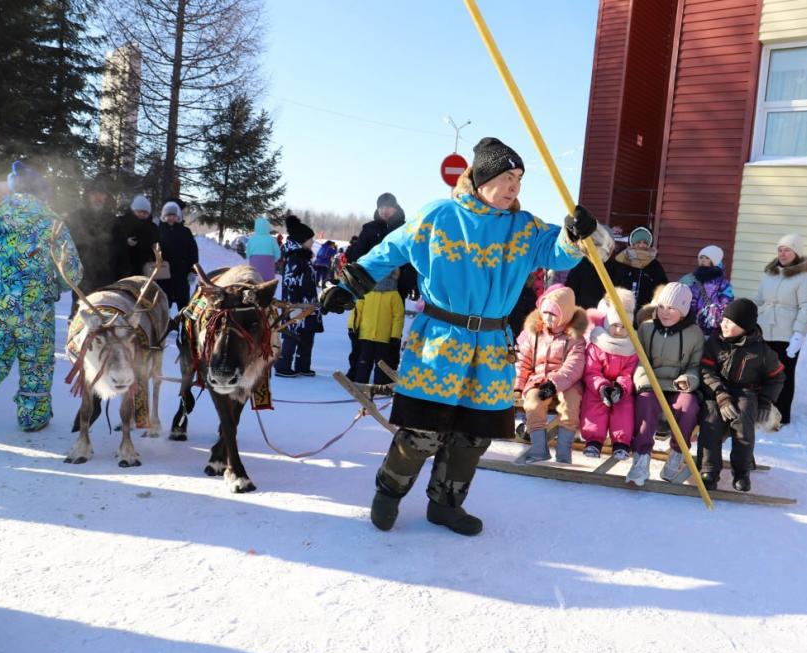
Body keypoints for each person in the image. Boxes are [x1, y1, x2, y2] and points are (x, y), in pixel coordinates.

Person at [320, 136, 610, 536]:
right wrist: (348, 286)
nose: (515, 187)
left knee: (474, 436)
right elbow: (388, 251)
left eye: (520, 179)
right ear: (482, 178)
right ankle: (389, 493)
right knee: (423, 430)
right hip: (440, 339)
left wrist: (574, 234)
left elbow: (558, 251)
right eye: (507, 177)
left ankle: (445, 504)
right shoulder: (439, 216)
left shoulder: (523, 227)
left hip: (491, 345)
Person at [0, 161, 83, 440]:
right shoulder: (52, 225)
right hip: (34, 309)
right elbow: (72, 271)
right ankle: (32, 418)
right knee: (35, 362)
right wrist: (56, 286)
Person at [697, 299, 785, 492]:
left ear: (744, 327)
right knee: (711, 420)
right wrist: (720, 394)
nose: (723, 324)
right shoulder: (715, 343)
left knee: (744, 420)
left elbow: (777, 377)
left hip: (745, 391)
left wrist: (765, 402)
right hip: (716, 393)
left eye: (730, 322)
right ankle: (709, 470)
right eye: (723, 319)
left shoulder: (761, 351)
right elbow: (705, 371)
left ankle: (742, 471)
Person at [628, 282, 704, 486]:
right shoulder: (647, 328)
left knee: (688, 407)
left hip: (678, 386)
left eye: (671, 308)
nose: (664, 312)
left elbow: (696, 365)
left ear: (683, 310)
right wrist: (644, 382)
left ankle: (677, 453)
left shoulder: (695, 334)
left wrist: (689, 380)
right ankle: (641, 457)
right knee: (645, 404)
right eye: (661, 306)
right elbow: (639, 360)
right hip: (651, 383)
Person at [516, 284, 588, 464]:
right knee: (533, 402)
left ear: (565, 315)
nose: (547, 318)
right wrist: (518, 386)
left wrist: (554, 384)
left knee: (571, 404)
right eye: (545, 312)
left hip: (566, 381)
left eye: (553, 314)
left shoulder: (575, 338)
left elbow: (574, 366)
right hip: (538, 379)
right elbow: (522, 361)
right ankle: (539, 448)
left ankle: (564, 451)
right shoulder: (533, 333)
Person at [754, 233, 807, 425]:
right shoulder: (769, 274)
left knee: (783, 375)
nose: (782, 253)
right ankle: (760, 412)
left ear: (796, 252)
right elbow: (758, 300)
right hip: (764, 330)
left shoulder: (804, 278)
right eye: (780, 250)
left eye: (787, 250)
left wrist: (799, 334)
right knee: (761, 373)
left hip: (786, 333)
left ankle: (780, 416)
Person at [580, 288, 638, 461]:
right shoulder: (597, 342)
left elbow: (629, 373)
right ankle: (593, 441)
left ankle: (621, 444)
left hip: (621, 387)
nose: (619, 330)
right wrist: (602, 387)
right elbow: (591, 371)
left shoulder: (631, 347)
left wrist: (621, 388)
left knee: (624, 409)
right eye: (615, 326)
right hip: (598, 386)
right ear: (607, 324)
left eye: (623, 327)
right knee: (594, 405)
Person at [564, 226, 668, 311]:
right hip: (618, 313)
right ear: (632, 242)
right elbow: (604, 284)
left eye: (645, 242)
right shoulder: (620, 261)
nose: (641, 245)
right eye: (638, 242)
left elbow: (662, 289)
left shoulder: (654, 266)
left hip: (643, 314)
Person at [67, 177, 123, 317]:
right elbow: (67, 246)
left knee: (105, 318)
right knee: (79, 317)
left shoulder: (114, 221)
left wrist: (122, 274)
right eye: (94, 193)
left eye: (101, 194)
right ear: (87, 195)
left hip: (108, 278)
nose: (98, 197)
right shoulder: (75, 218)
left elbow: (122, 250)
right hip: (82, 277)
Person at [347, 192, 419, 301]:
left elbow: (412, 259)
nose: (384, 210)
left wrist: (408, 285)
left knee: (394, 317)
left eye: (388, 207)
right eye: (381, 207)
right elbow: (357, 255)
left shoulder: (404, 229)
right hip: (369, 287)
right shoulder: (369, 228)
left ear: (395, 208)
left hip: (397, 289)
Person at [274, 215, 321, 377]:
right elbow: (294, 281)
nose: (312, 242)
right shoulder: (297, 258)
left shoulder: (302, 257)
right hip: (297, 304)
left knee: (307, 335)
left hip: (306, 304)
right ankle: (283, 365)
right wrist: (300, 300)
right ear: (302, 240)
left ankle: (302, 365)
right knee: (292, 334)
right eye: (310, 239)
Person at [350, 269, 404, 384]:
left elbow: (398, 317)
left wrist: (395, 335)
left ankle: (379, 386)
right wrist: (352, 328)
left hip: (382, 337)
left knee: (380, 365)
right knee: (364, 363)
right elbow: (357, 311)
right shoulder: (366, 292)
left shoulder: (393, 295)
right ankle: (361, 384)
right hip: (368, 335)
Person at [679, 244, 734, 337]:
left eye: (707, 258)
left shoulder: (722, 283)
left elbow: (727, 303)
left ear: (714, 261)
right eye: (701, 257)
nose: (703, 260)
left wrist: (714, 312)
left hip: (713, 325)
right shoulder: (691, 279)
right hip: (691, 323)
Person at [156, 201, 198, 311]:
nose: (171, 218)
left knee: (184, 307)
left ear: (178, 216)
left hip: (182, 275)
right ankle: (165, 327)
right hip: (164, 277)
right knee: (163, 306)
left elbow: (193, 252)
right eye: (168, 215)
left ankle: (185, 328)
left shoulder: (185, 232)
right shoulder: (158, 231)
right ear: (164, 216)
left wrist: (193, 271)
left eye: (173, 215)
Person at [114, 194, 158, 278]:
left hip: (145, 268)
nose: (142, 214)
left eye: (145, 212)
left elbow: (156, 244)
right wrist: (125, 242)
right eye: (139, 211)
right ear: (133, 210)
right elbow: (114, 241)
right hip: (124, 268)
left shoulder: (152, 227)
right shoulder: (122, 222)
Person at [244, 216, 281, 285]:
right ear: (267, 227)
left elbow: (247, 254)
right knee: (268, 289)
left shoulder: (251, 239)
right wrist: (272, 260)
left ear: (256, 227)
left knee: (255, 289)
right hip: (269, 269)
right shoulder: (272, 239)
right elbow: (278, 254)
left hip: (255, 271)